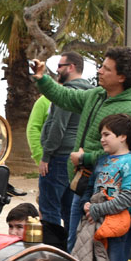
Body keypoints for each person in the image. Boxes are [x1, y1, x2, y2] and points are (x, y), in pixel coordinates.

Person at [31, 46, 131, 261]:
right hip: (82, 185)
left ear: (122, 77)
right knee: (76, 251)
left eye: (106, 68)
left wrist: (87, 156)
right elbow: (66, 96)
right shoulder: (96, 94)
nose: (99, 71)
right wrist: (42, 77)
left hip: (108, 196)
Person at [70, 114, 131, 261]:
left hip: (118, 230)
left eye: (106, 134)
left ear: (122, 137)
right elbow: (91, 189)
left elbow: (129, 197)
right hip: (95, 225)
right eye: (102, 134)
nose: (102, 139)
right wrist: (86, 207)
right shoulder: (102, 161)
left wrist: (98, 209)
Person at [33, 52, 92, 246]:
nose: (56, 70)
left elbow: (58, 126)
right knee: (70, 212)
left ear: (71, 67)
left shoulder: (68, 93)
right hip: (77, 159)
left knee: (49, 212)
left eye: (60, 66)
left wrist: (46, 156)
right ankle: (68, 257)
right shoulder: (91, 93)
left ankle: (51, 258)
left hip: (58, 158)